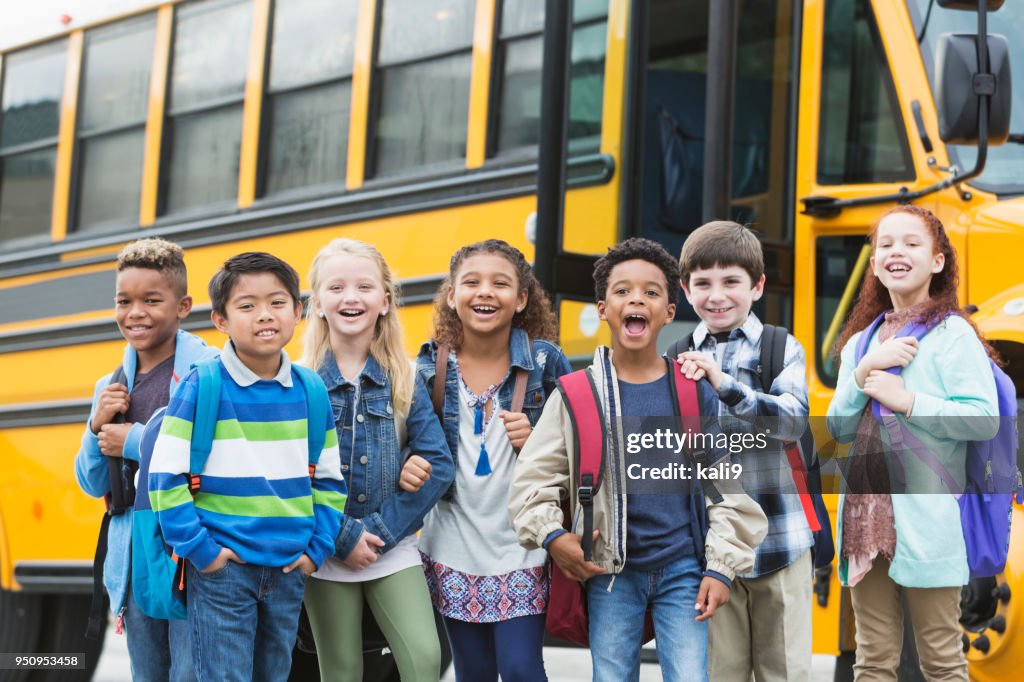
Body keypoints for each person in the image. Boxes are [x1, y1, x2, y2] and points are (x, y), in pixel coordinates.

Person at [509, 237, 767, 682]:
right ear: (603, 309)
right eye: (622, 291)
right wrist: (553, 536)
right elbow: (533, 481)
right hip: (610, 572)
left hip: (684, 569)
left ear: (669, 312)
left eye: (651, 292)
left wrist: (722, 569)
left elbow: (726, 486)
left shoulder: (692, 392)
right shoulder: (575, 394)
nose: (636, 299)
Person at [148, 252, 347, 681]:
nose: (264, 316)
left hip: (289, 570)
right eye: (247, 306)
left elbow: (330, 481)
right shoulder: (205, 384)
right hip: (223, 570)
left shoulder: (310, 389)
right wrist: (203, 552)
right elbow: (165, 479)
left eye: (277, 303)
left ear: (299, 312)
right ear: (220, 320)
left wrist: (317, 550)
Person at [826, 205, 999, 681]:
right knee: (873, 662)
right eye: (885, 244)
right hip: (864, 521)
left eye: (911, 243)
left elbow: (984, 420)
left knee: (941, 661)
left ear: (938, 261)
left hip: (928, 522)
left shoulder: (953, 334)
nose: (895, 252)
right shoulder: (862, 341)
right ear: (875, 262)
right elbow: (839, 430)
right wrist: (862, 374)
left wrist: (907, 400)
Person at [411, 239, 571, 682]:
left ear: (521, 299)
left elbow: (585, 441)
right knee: (474, 672)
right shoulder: (427, 367)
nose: (485, 292)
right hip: (452, 544)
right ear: (451, 295)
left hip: (523, 545)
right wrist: (409, 463)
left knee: (521, 668)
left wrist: (539, 440)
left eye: (500, 284)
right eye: (471, 282)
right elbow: (404, 442)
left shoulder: (545, 362)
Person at [298, 239, 454, 682]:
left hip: (391, 545)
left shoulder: (405, 376)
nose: (351, 297)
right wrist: (343, 535)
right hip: (326, 549)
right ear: (318, 304)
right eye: (336, 287)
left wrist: (378, 531)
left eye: (365, 286)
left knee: (424, 657)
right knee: (342, 669)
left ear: (385, 301)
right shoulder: (299, 382)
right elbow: (289, 473)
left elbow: (437, 463)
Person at [675, 221, 814, 682]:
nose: (717, 295)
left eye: (731, 281)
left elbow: (793, 421)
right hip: (712, 554)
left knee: (785, 672)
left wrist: (725, 385)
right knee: (720, 672)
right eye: (703, 283)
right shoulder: (675, 355)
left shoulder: (779, 347)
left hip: (781, 541)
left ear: (757, 286)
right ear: (685, 288)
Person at [74, 237, 214, 682]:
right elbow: (93, 484)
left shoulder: (207, 373)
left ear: (183, 305)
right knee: (148, 673)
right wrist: (96, 428)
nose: (135, 313)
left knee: (192, 672)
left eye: (152, 300)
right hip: (135, 554)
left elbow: (208, 455)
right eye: (124, 301)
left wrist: (134, 440)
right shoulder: (110, 385)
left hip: (191, 552)